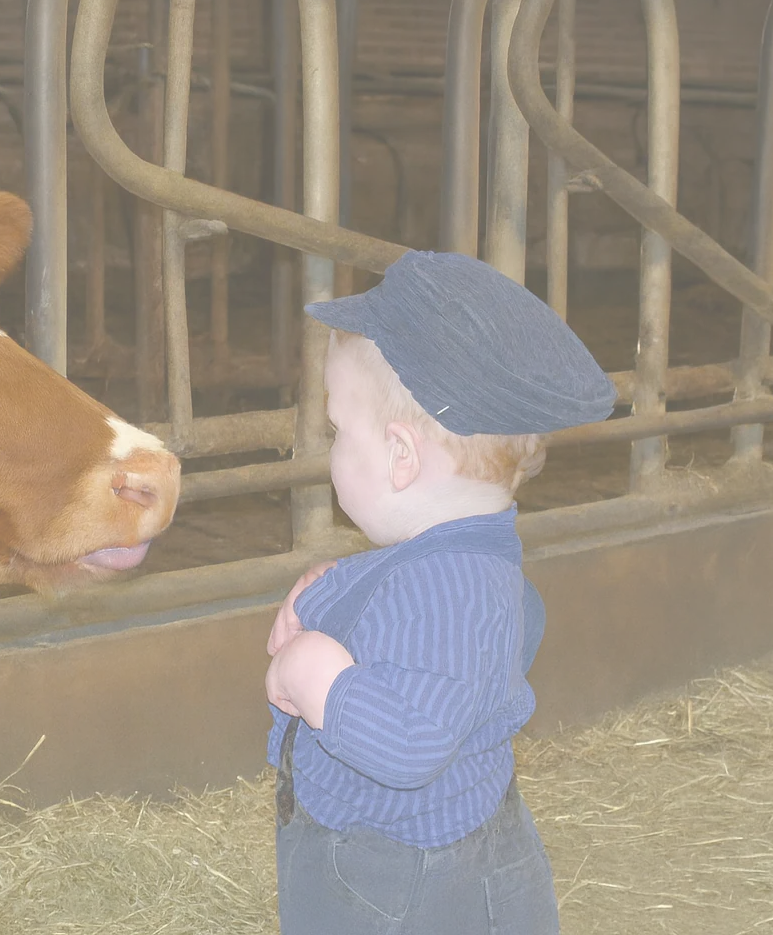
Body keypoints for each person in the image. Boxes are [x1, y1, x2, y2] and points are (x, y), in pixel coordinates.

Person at [264, 249, 616, 934]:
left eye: (339, 431)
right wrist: (338, 590)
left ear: (401, 456)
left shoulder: (452, 590)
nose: (331, 449)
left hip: (397, 882)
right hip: (420, 864)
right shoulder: (466, 558)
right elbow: (449, 634)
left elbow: (409, 745)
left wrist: (316, 673)